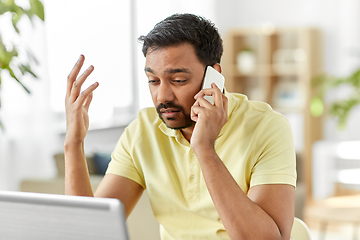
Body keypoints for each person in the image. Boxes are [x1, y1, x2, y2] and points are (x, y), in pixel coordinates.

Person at [64, 13, 296, 239]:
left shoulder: (267, 127)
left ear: (213, 77)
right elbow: (89, 232)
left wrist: (204, 149)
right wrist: (73, 143)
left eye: (178, 80)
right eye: (153, 81)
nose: (162, 95)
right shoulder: (142, 131)